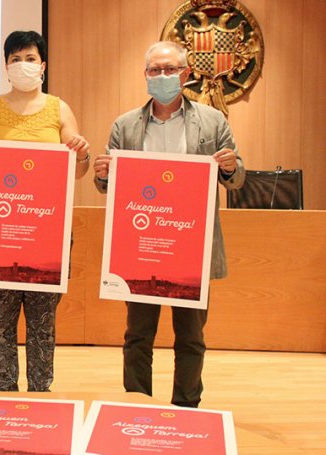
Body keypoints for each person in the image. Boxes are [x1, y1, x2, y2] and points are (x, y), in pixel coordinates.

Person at [92, 41, 245, 407]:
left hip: (190, 250)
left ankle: (187, 406)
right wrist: (102, 174)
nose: (162, 76)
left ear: (185, 74)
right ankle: (136, 404)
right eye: (155, 70)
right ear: (145, 75)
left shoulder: (213, 121)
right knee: (137, 336)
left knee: (191, 337)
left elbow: (237, 178)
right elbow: (106, 186)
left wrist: (229, 166)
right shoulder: (125, 125)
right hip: (141, 249)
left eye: (170, 69)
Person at [0, 31, 90, 392]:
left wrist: (82, 153)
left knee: (42, 324)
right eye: (15, 59)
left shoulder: (60, 109)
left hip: (47, 235)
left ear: (43, 65)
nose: (23, 65)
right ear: (6, 66)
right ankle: (3, 392)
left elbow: (77, 172)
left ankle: (40, 394)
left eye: (30, 58)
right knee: (0, 324)